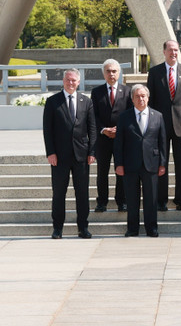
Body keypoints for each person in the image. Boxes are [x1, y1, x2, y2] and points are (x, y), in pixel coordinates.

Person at [42, 68, 97, 239]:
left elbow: (92, 129)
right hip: (59, 157)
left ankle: (83, 227)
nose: (71, 83)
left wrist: (92, 151)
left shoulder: (86, 101)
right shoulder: (52, 101)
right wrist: (51, 152)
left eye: (74, 80)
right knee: (59, 193)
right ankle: (57, 228)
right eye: (68, 80)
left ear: (78, 82)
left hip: (81, 155)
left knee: (82, 194)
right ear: (63, 81)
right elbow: (47, 130)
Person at [146, 39, 181, 211]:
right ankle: (161, 200)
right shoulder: (155, 72)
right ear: (164, 52)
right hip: (160, 125)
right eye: (170, 50)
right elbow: (151, 101)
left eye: (176, 50)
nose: (173, 53)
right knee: (161, 163)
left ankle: (180, 199)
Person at [114, 85, 167, 237]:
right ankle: (132, 229)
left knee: (151, 198)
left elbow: (162, 141)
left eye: (143, 96)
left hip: (151, 163)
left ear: (148, 98)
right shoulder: (124, 117)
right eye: (137, 96)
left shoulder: (158, 116)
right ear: (132, 99)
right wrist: (118, 164)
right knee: (132, 199)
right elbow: (118, 143)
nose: (141, 99)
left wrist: (162, 163)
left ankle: (152, 228)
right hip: (130, 164)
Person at [91, 59, 134, 213]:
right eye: (108, 71)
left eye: (114, 71)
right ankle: (102, 202)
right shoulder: (96, 92)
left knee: (121, 170)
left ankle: (122, 201)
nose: (111, 74)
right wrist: (104, 129)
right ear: (104, 74)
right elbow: (93, 116)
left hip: (121, 139)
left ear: (119, 73)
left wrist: (119, 130)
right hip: (103, 139)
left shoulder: (127, 91)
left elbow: (131, 114)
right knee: (102, 172)